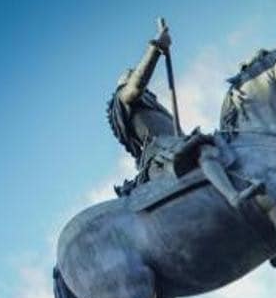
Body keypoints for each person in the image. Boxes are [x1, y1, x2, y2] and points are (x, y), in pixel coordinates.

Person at [107, 23, 260, 207]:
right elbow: (137, 85)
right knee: (203, 149)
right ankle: (234, 197)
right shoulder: (122, 99)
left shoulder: (150, 105)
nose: (136, 74)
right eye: (131, 74)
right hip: (160, 153)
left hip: (174, 144)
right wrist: (156, 48)